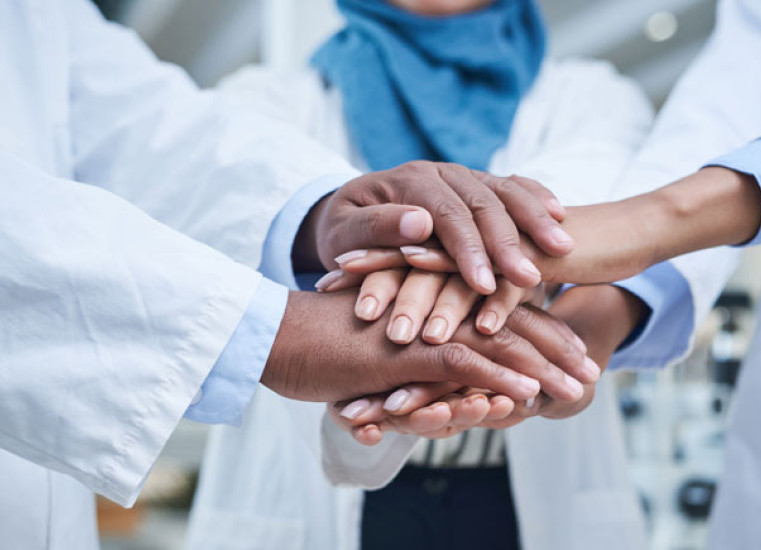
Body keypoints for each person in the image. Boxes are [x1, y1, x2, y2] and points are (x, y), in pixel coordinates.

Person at [0, 1, 592, 547]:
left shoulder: (588, 95)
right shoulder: (270, 95)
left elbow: (136, 123)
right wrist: (277, 332)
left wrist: (322, 212)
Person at [340, 0, 761, 547]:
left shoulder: (592, 95)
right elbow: (741, 93)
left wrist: (643, 232)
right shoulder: (271, 98)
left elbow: (589, 198)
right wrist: (579, 314)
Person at [187, 1, 674, 549]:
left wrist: (416, 262)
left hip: (513, 495)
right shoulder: (265, 99)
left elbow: (575, 211)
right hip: (322, 495)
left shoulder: (593, 97)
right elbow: (240, 204)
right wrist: (483, 265)